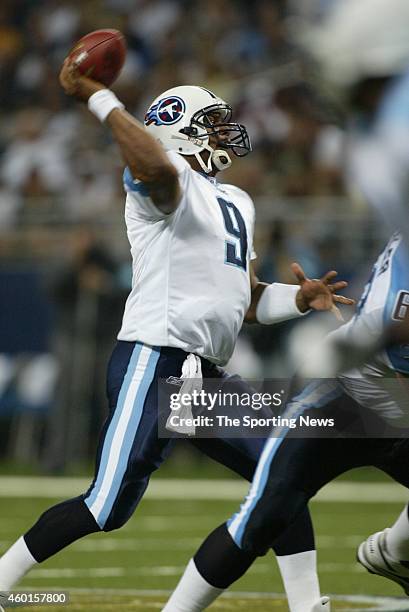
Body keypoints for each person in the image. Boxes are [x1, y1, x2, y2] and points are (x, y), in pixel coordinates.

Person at [0, 59, 352, 612]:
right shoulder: (163, 178)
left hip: (204, 373)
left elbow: (246, 299)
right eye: (209, 124)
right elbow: (158, 173)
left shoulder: (236, 200)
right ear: (178, 129)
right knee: (106, 508)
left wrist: (300, 299)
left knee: (282, 471)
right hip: (154, 358)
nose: (222, 134)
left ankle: (309, 605)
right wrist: (100, 97)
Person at [162, 232, 409, 611]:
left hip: (393, 403)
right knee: (265, 515)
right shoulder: (400, 300)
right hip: (345, 401)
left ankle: (395, 552)